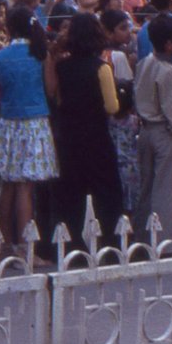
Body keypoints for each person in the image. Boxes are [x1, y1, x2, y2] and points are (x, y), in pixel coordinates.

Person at [54, 13, 123, 246]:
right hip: (97, 136)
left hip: (68, 137)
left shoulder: (60, 67)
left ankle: (73, 243)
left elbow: (57, 99)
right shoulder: (101, 68)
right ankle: (110, 242)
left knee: (72, 193)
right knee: (106, 191)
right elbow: (112, 106)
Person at [0, 7, 55, 259]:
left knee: (8, 184)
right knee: (26, 187)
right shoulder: (41, 54)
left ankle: (7, 244)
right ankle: (27, 250)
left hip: (8, 121)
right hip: (34, 121)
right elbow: (50, 90)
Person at [134, 13, 172, 237]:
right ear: (168, 44)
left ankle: (142, 236)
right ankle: (165, 239)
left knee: (147, 186)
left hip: (145, 130)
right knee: (166, 188)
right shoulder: (170, 72)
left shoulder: (144, 63)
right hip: (163, 132)